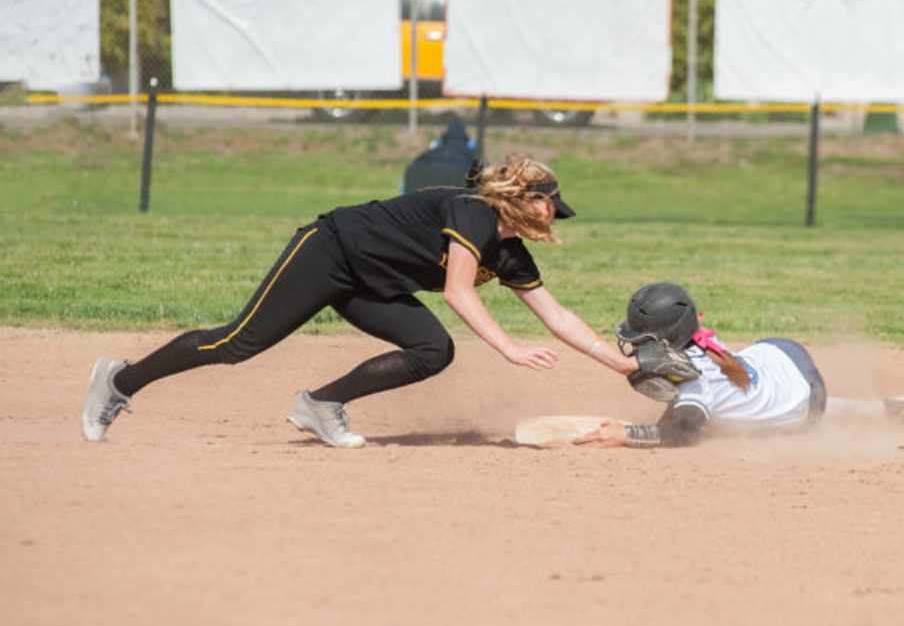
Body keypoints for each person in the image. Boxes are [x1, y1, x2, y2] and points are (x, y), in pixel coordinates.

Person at [82, 155, 639, 447]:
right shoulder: (472, 211)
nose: (554, 217)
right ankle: (120, 381)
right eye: (551, 206)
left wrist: (620, 364)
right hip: (330, 253)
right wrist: (510, 348)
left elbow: (557, 314)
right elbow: (457, 291)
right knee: (236, 343)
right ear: (526, 198)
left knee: (433, 350)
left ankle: (321, 405)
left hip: (373, 285)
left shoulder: (511, 253)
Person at [573, 282, 904, 449]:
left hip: (805, 398)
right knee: (766, 398)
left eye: (644, 339)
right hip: (782, 354)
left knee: (732, 424)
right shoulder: (698, 342)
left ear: (667, 339)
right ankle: (884, 409)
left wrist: (626, 435)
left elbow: (683, 434)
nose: (636, 345)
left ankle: (881, 410)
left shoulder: (695, 380)